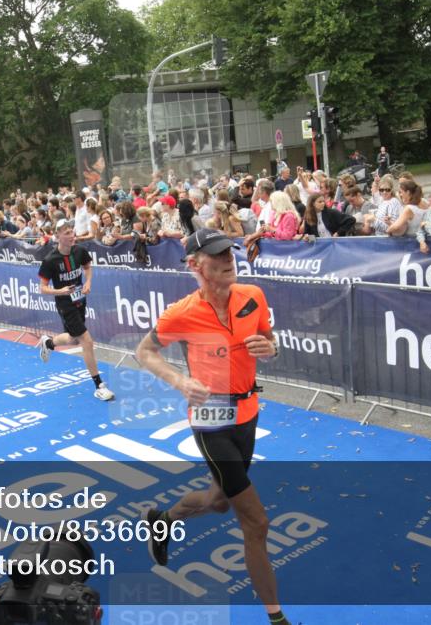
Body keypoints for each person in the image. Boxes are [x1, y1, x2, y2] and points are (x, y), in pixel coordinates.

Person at [134, 229, 285, 625]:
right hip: (210, 418)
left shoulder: (253, 296)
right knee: (255, 521)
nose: (227, 260)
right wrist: (180, 382)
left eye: (229, 253)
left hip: (248, 412)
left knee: (218, 501)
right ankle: (277, 618)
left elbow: (269, 342)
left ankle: (163, 520)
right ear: (195, 265)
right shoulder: (181, 312)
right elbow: (144, 351)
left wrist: (272, 349)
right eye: (216, 255)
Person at [37, 219, 114, 401]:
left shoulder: (80, 251)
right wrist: (60, 291)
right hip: (65, 304)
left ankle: (48, 343)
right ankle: (99, 386)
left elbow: (87, 267)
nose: (72, 236)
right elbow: (43, 288)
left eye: (72, 232)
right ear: (57, 236)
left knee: (73, 339)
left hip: (80, 300)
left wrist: (88, 282)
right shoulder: (50, 260)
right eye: (67, 233)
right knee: (87, 341)